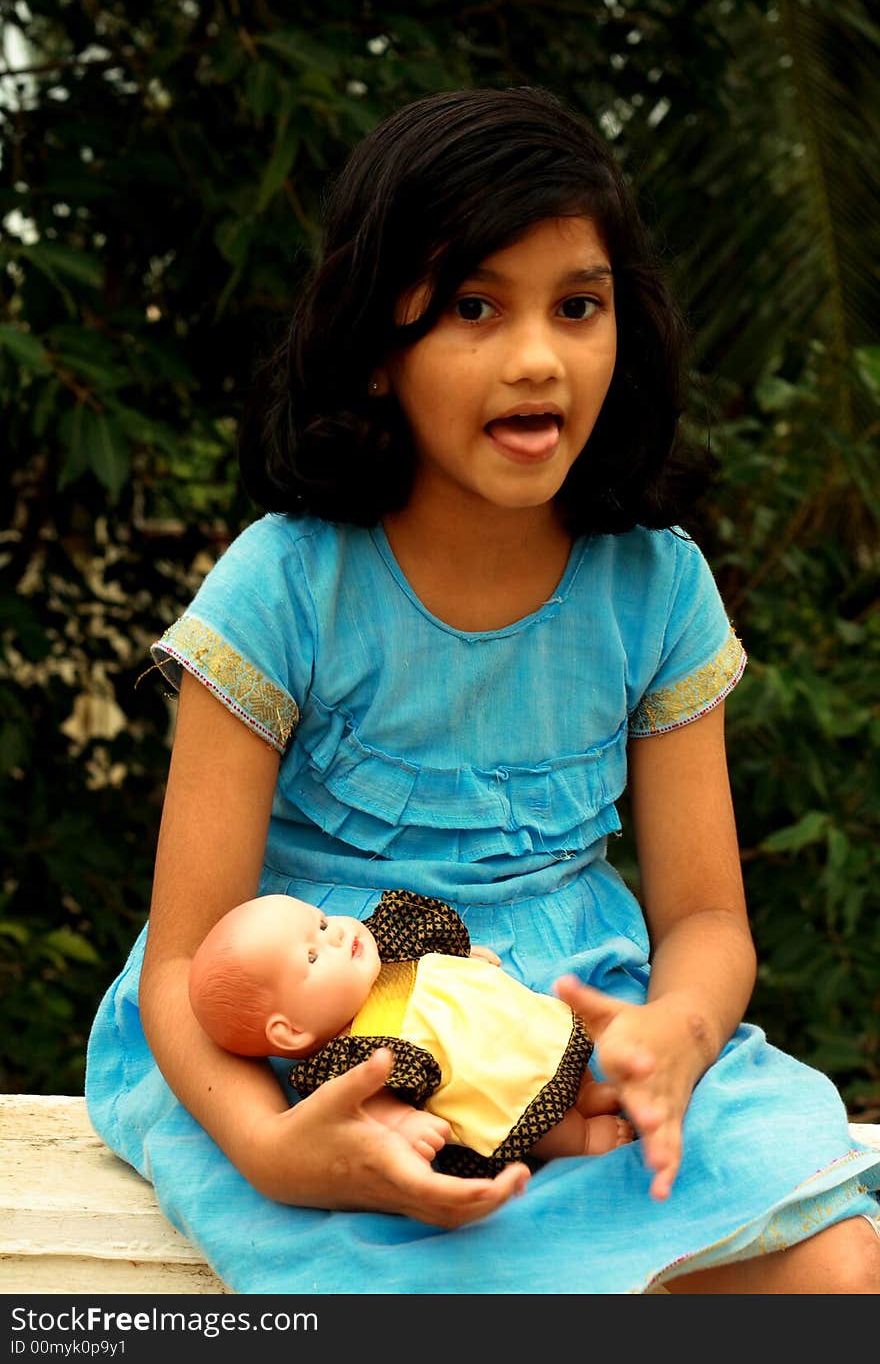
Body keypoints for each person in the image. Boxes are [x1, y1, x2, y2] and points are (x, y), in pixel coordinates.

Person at [85, 85, 880, 1294]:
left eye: (578, 306)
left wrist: (677, 1033)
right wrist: (276, 1151)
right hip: (318, 1046)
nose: (535, 358)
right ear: (372, 348)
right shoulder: (285, 583)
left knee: (839, 1272)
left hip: (576, 1029)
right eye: (472, 306)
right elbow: (183, 958)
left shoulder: (653, 589)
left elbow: (710, 921)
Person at [188, 889, 633, 1173]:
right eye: (311, 956)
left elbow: (431, 962)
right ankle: (579, 1138)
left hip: (512, 1025)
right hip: (486, 1078)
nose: (337, 935)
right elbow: (373, 1105)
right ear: (291, 1032)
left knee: (554, 1043)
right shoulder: (355, 1057)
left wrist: (464, 960)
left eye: (322, 922)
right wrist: (402, 1122)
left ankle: (583, 1093)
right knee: (527, 1112)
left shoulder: (384, 956)